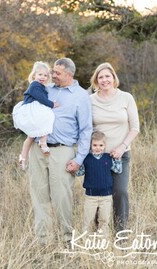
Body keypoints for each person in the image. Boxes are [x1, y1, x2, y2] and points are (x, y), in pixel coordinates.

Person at [27, 58, 92, 246]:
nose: (52, 75)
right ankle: (43, 241)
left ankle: (66, 239)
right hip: (38, 149)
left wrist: (79, 159)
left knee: (62, 196)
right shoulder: (46, 88)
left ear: (69, 75)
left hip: (63, 151)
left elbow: (86, 130)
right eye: (52, 72)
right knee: (39, 195)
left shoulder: (81, 96)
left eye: (57, 73)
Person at [89, 62, 139, 233]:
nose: (104, 80)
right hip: (97, 156)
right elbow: (86, 128)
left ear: (113, 78)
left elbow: (135, 128)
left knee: (120, 192)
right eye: (100, 77)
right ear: (96, 80)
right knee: (98, 193)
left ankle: (121, 232)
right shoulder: (90, 101)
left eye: (107, 76)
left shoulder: (126, 97)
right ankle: (99, 232)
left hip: (121, 155)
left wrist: (121, 147)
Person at [13, 61, 59, 169]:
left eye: (45, 75)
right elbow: (41, 99)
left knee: (31, 137)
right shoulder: (34, 85)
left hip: (34, 109)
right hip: (32, 108)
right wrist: (52, 104)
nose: (43, 77)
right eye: (40, 75)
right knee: (48, 116)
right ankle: (43, 142)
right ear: (34, 75)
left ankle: (22, 158)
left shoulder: (41, 86)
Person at [75, 131, 122, 237]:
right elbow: (79, 173)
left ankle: (102, 240)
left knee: (104, 220)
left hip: (106, 196)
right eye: (95, 145)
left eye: (101, 145)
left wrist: (117, 158)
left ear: (105, 145)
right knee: (88, 220)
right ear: (90, 145)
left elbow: (118, 170)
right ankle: (85, 240)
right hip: (90, 196)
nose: (98, 148)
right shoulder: (87, 158)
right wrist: (77, 159)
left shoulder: (108, 158)